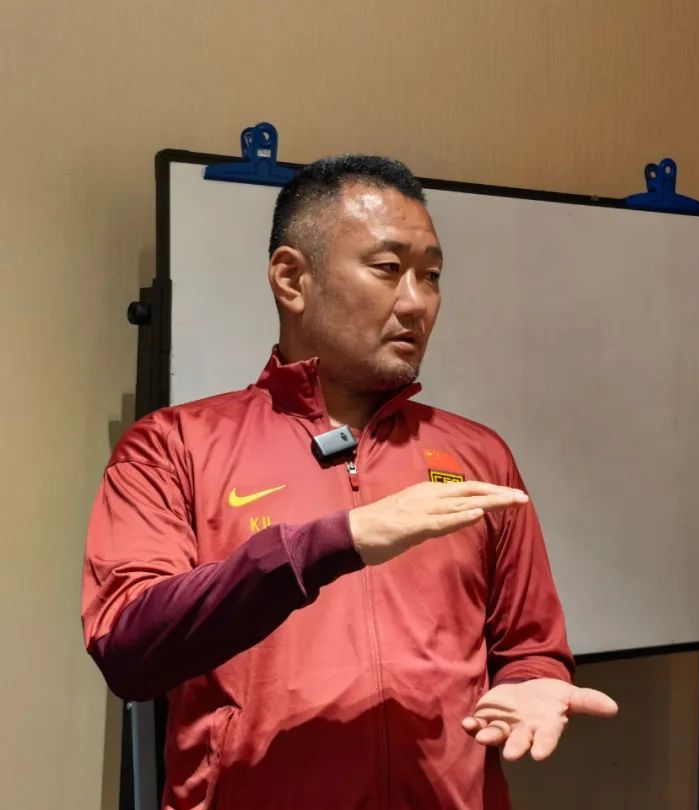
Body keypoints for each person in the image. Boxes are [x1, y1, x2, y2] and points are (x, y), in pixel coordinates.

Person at [81, 155, 618, 809]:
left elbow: (530, 645)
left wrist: (532, 681)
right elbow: (129, 650)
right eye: (388, 268)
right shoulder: (172, 447)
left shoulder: (479, 454)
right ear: (291, 279)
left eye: (431, 276)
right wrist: (336, 541)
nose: (417, 302)